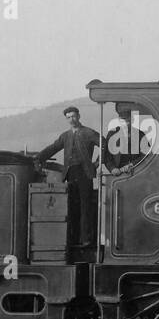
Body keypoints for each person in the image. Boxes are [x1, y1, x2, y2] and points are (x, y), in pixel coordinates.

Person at [36, 106, 104, 260]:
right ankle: (73, 239)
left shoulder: (89, 133)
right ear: (66, 119)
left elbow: (105, 144)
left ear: (79, 116)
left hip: (85, 173)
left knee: (86, 206)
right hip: (69, 174)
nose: (71, 119)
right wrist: (39, 158)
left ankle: (86, 240)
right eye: (68, 117)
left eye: (73, 116)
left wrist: (98, 162)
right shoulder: (65, 136)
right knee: (72, 206)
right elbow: (53, 148)